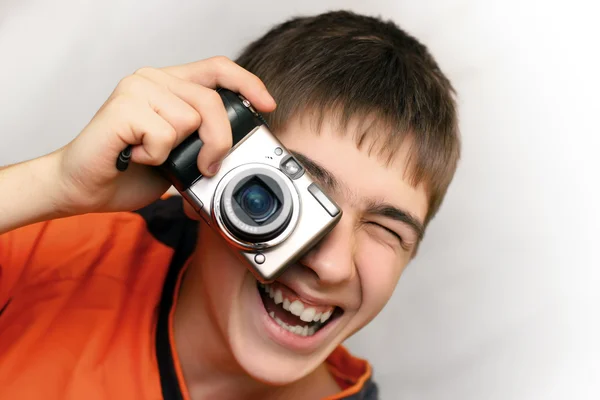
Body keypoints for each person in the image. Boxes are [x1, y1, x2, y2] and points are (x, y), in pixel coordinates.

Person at [0, 10, 460, 400]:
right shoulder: (59, 249)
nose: (333, 265)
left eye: (387, 230)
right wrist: (52, 183)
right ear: (207, 173)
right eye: (297, 193)